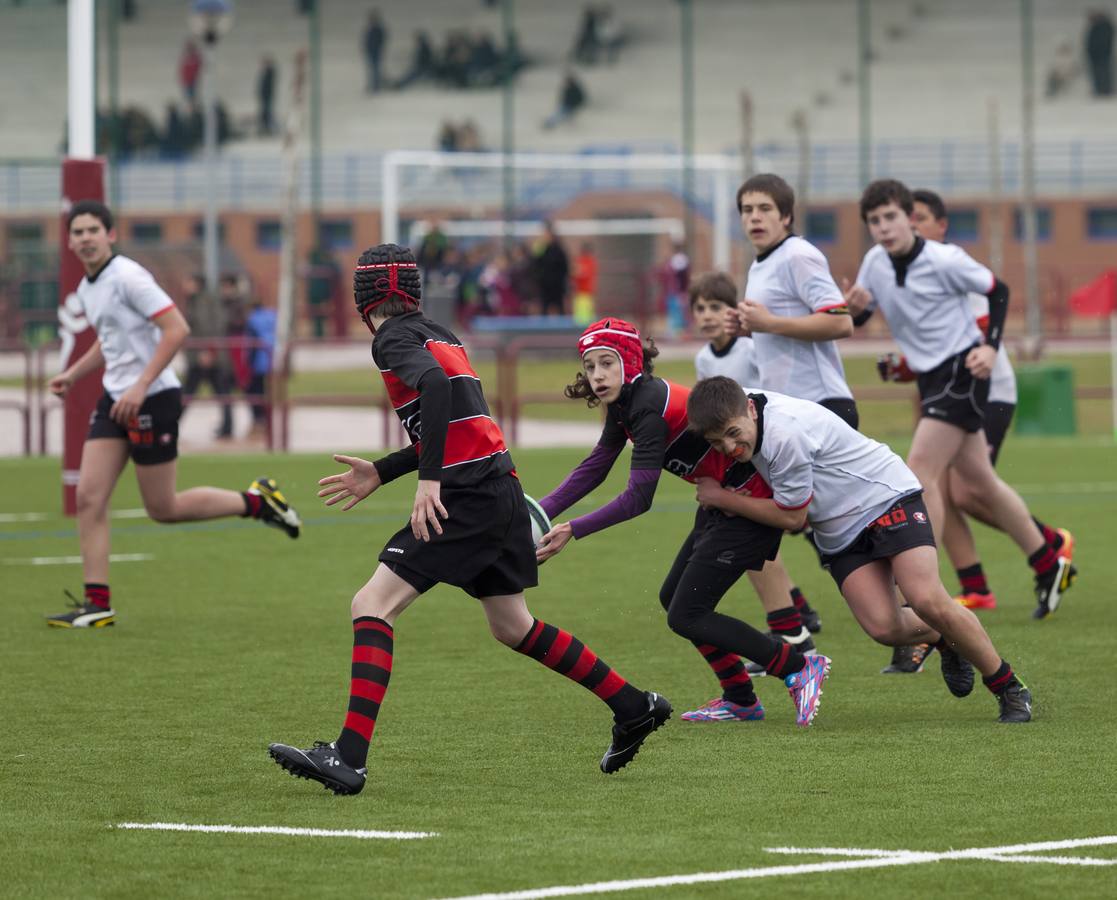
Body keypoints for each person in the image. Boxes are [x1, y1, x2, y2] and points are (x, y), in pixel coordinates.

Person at [268, 246, 670, 795]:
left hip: (465, 496)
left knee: (371, 605)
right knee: (513, 626)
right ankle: (633, 705)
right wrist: (384, 472)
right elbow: (456, 421)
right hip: (500, 488)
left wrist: (428, 481)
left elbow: (433, 391)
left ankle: (349, 758)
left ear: (362, 297)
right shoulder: (440, 332)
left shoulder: (390, 338)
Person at [536, 317, 832, 727]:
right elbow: (596, 467)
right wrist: (539, 511)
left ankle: (798, 666)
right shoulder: (626, 403)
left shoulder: (646, 407)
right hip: (721, 504)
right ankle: (740, 699)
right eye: (590, 366)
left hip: (748, 504)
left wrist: (573, 528)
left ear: (630, 362)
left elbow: (638, 499)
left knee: (686, 612)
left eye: (607, 363)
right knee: (675, 600)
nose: (598, 375)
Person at [686, 377, 1033, 724]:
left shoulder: (783, 434)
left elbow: (792, 518)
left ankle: (1007, 685)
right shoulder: (733, 403)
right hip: (839, 530)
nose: (730, 446)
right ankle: (943, 637)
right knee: (884, 628)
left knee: (925, 598)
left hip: (885, 496)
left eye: (733, 433)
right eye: (718, 442)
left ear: (749, 408)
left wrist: (722, 498)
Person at [46, 201, 301, 629]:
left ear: (109, 235)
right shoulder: (90, 288)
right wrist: (73, 374)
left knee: (162, 508)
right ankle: (97, 604)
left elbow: (177, 328)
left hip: (152, 398)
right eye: (78, 232)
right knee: (88, 496)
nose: (85, 238)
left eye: (93, 230)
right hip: (116, 399)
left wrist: (142, 384)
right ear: (69, 241)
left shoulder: (129, 276)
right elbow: (109, 340)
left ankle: (258, 503)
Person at [843, 179, 1077, 622]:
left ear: (909, 217)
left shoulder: (944, 258)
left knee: (920, 472)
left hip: (963, 372)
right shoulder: (874, 262)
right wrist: (852, 309)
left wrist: (990, 346)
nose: (883, 227)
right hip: (931, 379)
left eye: (891, 217)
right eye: (874, 221)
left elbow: (999, 290)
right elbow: (864, 315)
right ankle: (1048, 562)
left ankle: (919, 593)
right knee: (980, 480)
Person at [691, 270, 823, 638]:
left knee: (816, 531)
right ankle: (797, 613)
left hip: (773, 451)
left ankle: (799, 614)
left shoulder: (750, 349)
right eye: (699, 308)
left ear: (733, 310)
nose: (706, 315)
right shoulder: (704, 358)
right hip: (746, 459)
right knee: (758, 533)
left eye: (715, 306)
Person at [734, 173, 857, 429]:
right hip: (788, 406)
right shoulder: (761, 263)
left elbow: (841, 323)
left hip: (821, 404)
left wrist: (768, 323)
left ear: (786, 217)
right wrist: (746, 327)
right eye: (747, 210)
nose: (754, 216)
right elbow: (778, 322)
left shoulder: (798, 255)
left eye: (765, 208)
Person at [180, 273, 234, 439]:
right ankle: (227, 427)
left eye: (188, 281)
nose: (185, 285)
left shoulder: (203, 302)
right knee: (218, 392)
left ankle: (171, 425)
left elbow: (209, 327)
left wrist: (207, 351)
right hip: (203, 355)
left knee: (190, 392)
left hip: (205, 356)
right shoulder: (196, 301)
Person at [532, 221, 569, 316]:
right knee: (544, 309)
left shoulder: (558, 249)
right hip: (544, 286)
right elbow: (535, 264)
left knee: (560, 309)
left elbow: (564, 267)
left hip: (557, 286)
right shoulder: (541, 248)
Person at [1085, 10, 1114, 97]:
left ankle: (1105, 90)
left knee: (1104, 73)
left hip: (1102, 55)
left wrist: (1098, 50)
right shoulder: (1095, 26)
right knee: (1097, 73)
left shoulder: (1104, 26)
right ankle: (1100, 90)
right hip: (1096, 56)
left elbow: (1104, 41)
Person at [571, 241, 598, 324]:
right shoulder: (580, 260)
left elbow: (582, 274)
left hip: (586, 293)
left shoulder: (590, 262)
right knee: (579, 318)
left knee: (586, 318)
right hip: (579, 292)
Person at [363, 9, 387, 93]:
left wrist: (378, 48)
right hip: (371, 52)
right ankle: (374, 85)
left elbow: (381, 40)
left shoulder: (377, 29)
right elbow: (367, 41)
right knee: (373, 69)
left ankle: (376, 86)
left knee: (375, 70)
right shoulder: (371, 29)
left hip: (376, 52)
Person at [256, 55, 276, 136]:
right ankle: (265, 128)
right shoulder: (266, 72)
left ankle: (268, 128)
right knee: (265, 113)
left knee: (267, 113)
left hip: (267, 96)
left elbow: (267, 86)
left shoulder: (270, 72)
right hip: (265, 96)